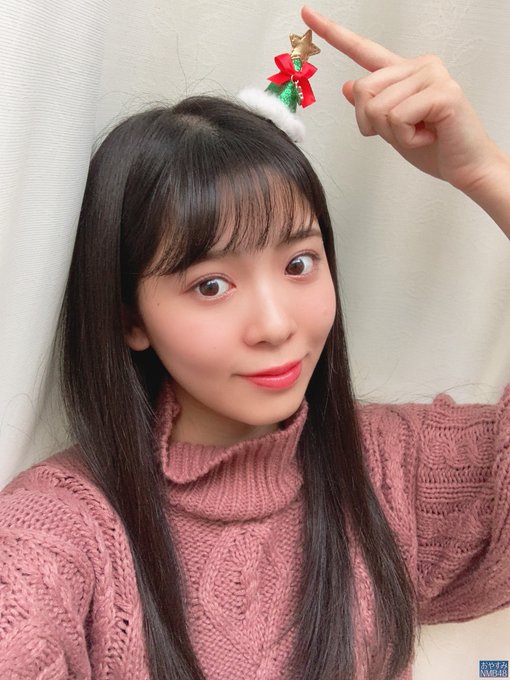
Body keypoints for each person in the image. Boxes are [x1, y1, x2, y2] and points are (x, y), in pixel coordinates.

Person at [1, 6, 509, 680]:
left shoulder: (391, 473)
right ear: (131, 318)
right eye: (211, 285)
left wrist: (487, 174)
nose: (274, 324)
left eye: (299, 264)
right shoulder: (60, 533)